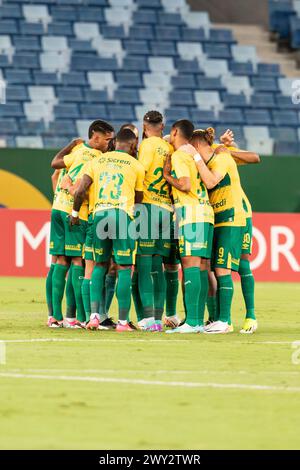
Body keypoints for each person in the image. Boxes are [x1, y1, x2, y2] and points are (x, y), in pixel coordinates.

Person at [70, 128, 145, 332]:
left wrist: (75, 213)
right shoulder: (137, 165)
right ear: (132, 145)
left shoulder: (96, 162)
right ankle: (122, 322)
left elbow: (80, 190)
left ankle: (94, 317)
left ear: (115, 143)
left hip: (99, 214)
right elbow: (139, 200)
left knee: (99, 266)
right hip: (122, 215)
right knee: (124, 268)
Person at [49, 120, 114, 328]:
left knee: (59, 261)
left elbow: (56, 165)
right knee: (79, 262)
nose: (108, 144)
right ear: (95, 136)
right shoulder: (98, 158)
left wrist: (71, 144)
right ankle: (73, 317)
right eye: (107, 139)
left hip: (58, 208)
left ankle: (55, 317)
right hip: (77, 214)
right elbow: (80, 189)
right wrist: (71, 191)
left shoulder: (77, 151)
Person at [186, 128, 247, 334]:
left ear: (195, 146)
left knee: (223, 269)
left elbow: (211, 181)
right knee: (215, 269)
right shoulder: (212, 160)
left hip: (231, 218)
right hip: (218, 219)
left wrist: (195, 158)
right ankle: (218, 319)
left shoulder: (222, 159)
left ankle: (225, 320)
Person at [163, 120, 214, 333]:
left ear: (175, 131)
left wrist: (167, 176)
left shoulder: (180, 155)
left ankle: (192, 322)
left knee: (190, 265)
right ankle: (198, 321)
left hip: (191, 214)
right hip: (205, 213)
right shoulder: (194, 154)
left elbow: (185, 184)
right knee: (201, 267)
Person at [136, 110, 179, 332]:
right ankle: (159, 318)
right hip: (167, 210)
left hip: (148, 206)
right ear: (162, 126)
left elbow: (141, 172)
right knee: (159, 266)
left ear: (144, 127)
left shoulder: (147, 145)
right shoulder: (170, 148)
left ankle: (147, 318)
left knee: (144, 263)